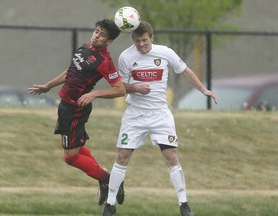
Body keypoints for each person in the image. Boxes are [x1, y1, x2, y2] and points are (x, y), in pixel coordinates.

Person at [102, 21, 217, 216]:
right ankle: (110, 204)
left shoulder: (165, 52)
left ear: (151, 38)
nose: (141, 45)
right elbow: (119, 85)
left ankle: (184, 204)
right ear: (133, 40)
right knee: (122, 156)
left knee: (171, 156)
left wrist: (203, 89)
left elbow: (185, 71)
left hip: (160, 114)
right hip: (135, 114)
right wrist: (136, 88)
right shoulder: (126, 57)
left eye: (145, 40)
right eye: (137, 41)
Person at [28, 19, 126, 206]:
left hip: (76, 109)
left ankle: (109, 180)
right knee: (77, 148)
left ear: (109, 41)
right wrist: (49, 85)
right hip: (66, 105)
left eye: (102, 34)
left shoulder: (105, 61)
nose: (97, 35)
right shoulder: (85, 47)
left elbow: (120, 89)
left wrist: (94, 94)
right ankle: (107, 179)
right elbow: (70, 71)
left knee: (71, 157)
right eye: (97, 31)